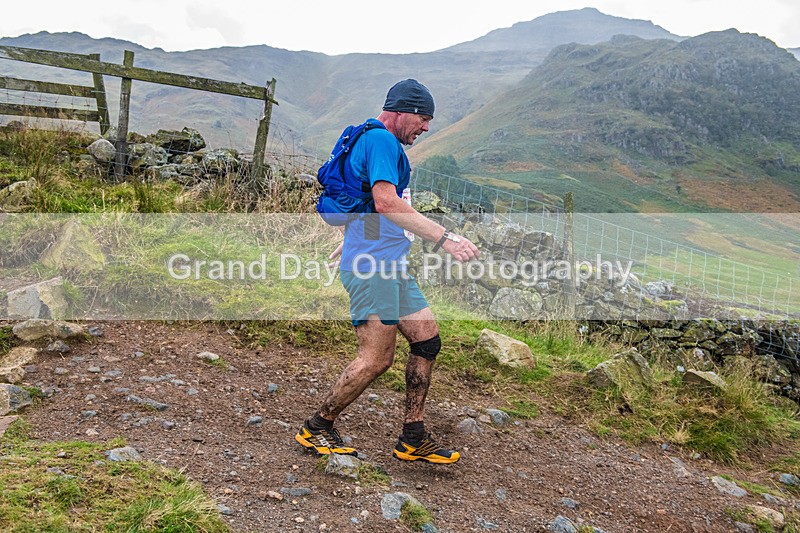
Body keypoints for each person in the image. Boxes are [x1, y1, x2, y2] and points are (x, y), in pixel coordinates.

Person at [295, 79, 480, 464]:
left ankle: (413, 436)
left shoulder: (369, 139)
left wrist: (353, 237)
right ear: (400, 111)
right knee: (376, 359)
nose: (426, 127)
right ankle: (318, 427)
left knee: (427, 339)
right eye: (423, 118)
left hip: (388, 262)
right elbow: (384, 202)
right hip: (373, 267)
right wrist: (445, 238)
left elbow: (361, 198)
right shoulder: (380, 140)